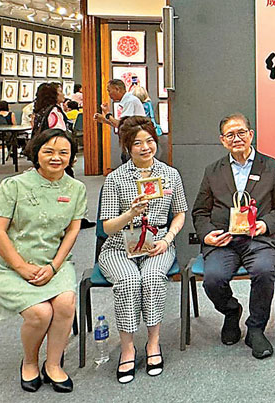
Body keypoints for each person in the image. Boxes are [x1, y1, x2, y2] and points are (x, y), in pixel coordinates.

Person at [0, 129, 87, 393]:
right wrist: (22, 267)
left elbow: (72, 231)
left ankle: (53, 364)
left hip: (55, 262)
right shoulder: (14, 185)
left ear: (72, 157)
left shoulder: (76, 189)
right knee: (40, 313)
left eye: (63, 152)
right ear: (36, 153)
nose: (56, 157)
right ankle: (29, 361)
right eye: (48, 151)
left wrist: (54, 266)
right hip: (11, 265)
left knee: (65, 303)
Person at [192, 113, 275, 359]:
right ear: (222, 140)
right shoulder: (213, 171)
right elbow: (200, 211)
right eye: (230, 135)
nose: (236, 138)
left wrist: (265, 225)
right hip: (223, 241)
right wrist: (207, 235)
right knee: (213, 279)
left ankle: (255, 328)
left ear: (251, 134)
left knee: (265, 271)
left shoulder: (271, 166)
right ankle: (231, 311)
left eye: (241, 133)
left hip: (258, 239)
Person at [99, 117, 187, 383]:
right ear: (127, 147)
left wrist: (168, 239)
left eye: (149, 141)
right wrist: (130, 213)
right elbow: (107, 227)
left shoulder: (170, 174)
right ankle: (127, 348)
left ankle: (153, 343)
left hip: (158, 242)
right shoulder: (115, 178)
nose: (145, 147)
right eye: (137, 143)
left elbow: (180, 213)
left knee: (151, 278)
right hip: (119, 246)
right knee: (128, 281)